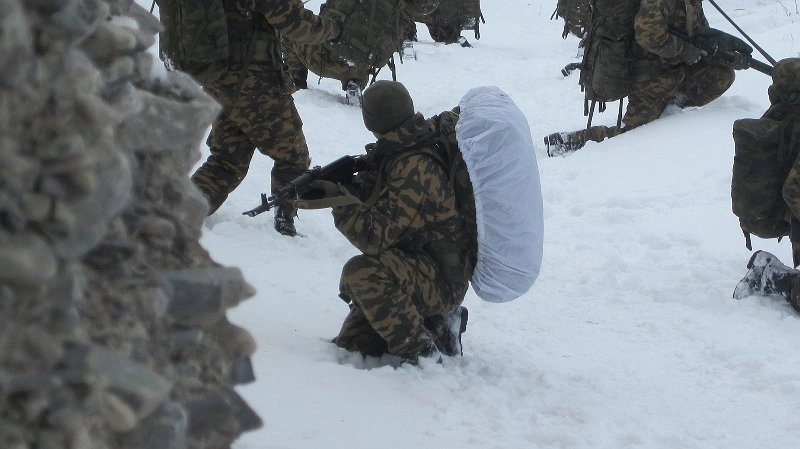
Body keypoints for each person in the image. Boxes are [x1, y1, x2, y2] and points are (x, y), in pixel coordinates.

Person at [294, 80, 473, 365]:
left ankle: (422, 351)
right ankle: (438, 323)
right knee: (354, 345)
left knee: (362, 273)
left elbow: (374, 238)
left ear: (371, 121)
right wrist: (351, 186)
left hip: (440, 277)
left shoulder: (413, 167)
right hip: (418, 261)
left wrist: (340, 201)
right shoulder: (407, 142)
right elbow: (387, 202)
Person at [189, 0, 341, 236]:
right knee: (293, 156)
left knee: (227, 159)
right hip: (254, 84)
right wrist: (333, 29)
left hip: (217, 79)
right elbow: (294, 22)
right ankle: (284, 222)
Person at [545, 0, 749, 156]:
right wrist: (686, 51)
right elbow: (647, 35)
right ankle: (576, 140)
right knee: (632, 135)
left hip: (677, 70)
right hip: (650, 76)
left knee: (721, 75)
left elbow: (697, 34)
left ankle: (672, 110)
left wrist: (723, 52)